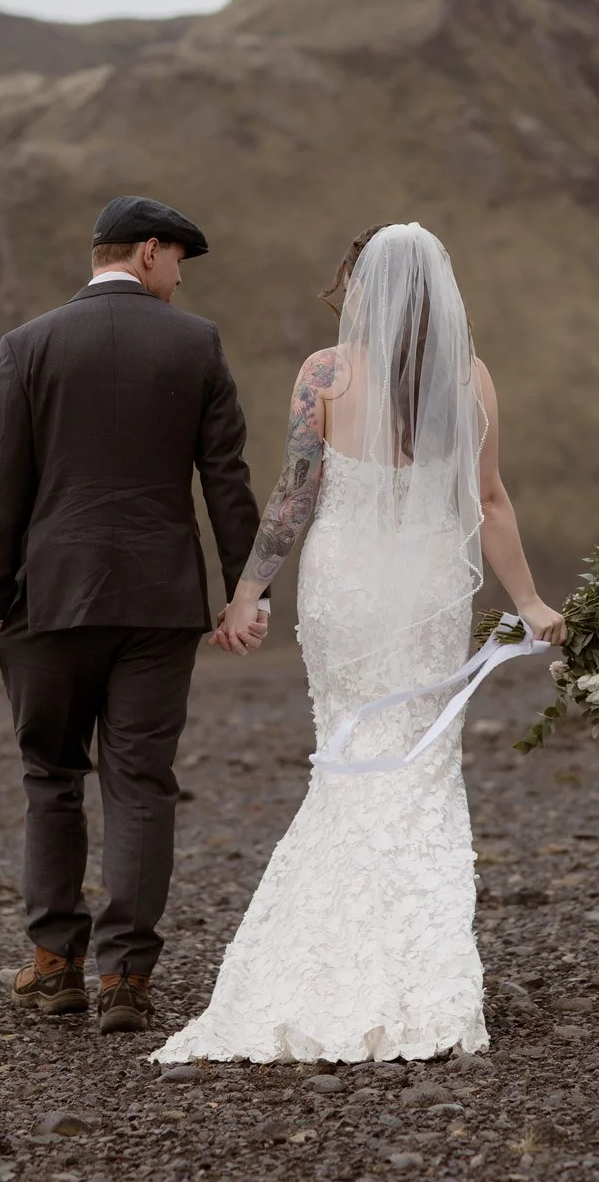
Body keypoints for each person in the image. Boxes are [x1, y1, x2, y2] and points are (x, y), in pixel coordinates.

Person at [153, 221, 565, 1065]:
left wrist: (244, 597)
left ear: (363, 287)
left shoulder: (325, 374)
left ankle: (312, 960)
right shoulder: (469, 378)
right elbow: (488, 502)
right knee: (418, 757)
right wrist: (529, 601)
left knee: (343, 755)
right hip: (424, 588)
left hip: (343, 588)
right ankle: (418, 972)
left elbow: (291, 497)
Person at [0, 195, 266, 1035]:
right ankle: (126, 980)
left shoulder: (26, 345)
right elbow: (226, 478)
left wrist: (0, 591)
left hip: (49, 597)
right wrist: (247, 587)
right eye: (178, 260)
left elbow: (4, 482)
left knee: (51, 779)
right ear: (147, 252)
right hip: (159, 599)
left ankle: (53, 966)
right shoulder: (195, 342)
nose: (180, 278)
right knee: (141, 784)